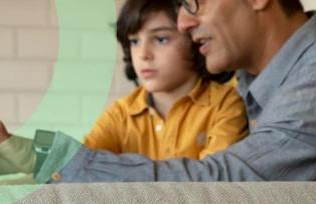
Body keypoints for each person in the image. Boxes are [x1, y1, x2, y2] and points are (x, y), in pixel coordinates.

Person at [0, 0, 316, 183]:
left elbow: (225, 183)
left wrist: (50, 160)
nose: (186, 23)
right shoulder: (268, 81)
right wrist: (13, 150)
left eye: (195, 2)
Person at [80, 0, 247, 160]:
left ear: (195, 41)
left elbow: (213, 181)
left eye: (161, 39)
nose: (143, 54)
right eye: (135, 41)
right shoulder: (119, 115)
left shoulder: (226, 105)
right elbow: (79, 166)